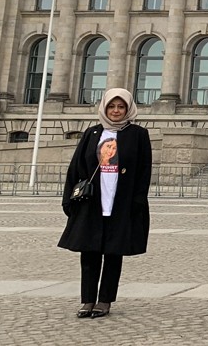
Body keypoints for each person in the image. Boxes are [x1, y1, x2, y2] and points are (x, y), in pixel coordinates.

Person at [58, 89, 152, 320]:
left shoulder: (138, 134)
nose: (116, 111)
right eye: (112, 107)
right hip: (92, 203)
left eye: (121, 107)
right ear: (105, 108)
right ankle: (87, 300)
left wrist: (138, 201)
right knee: (88, 253)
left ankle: (104, 301)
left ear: (128, 109)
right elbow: (76, 167)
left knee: (113, 253)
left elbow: (144, 171)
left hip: (121, 203)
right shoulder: (92, 133)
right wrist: (69, 200)